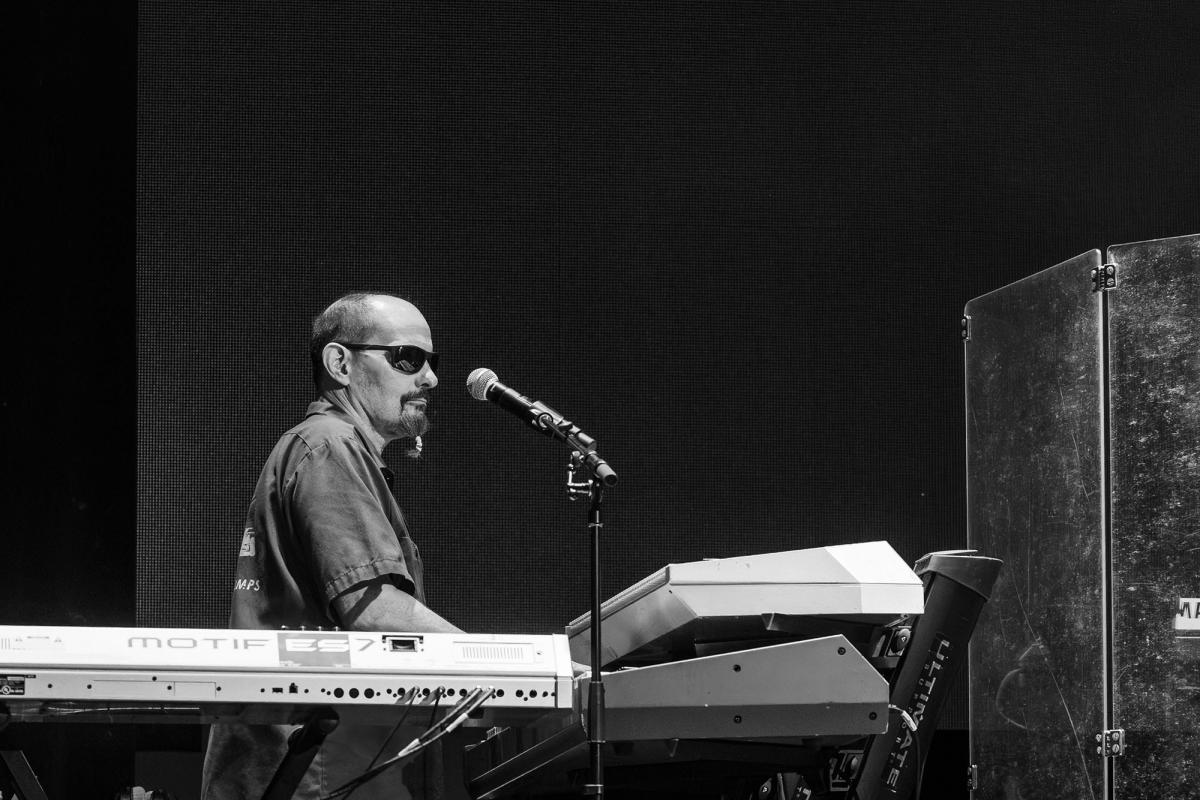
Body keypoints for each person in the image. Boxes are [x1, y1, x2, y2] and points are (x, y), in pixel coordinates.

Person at [201, 292, 461, 800]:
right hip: (315, 770)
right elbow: (374, 611)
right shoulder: (329, 446)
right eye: (408, 358)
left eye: (432, 362)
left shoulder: (329, 448)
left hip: (323, 766)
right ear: (340, 363)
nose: (429, 378)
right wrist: (504, 666)